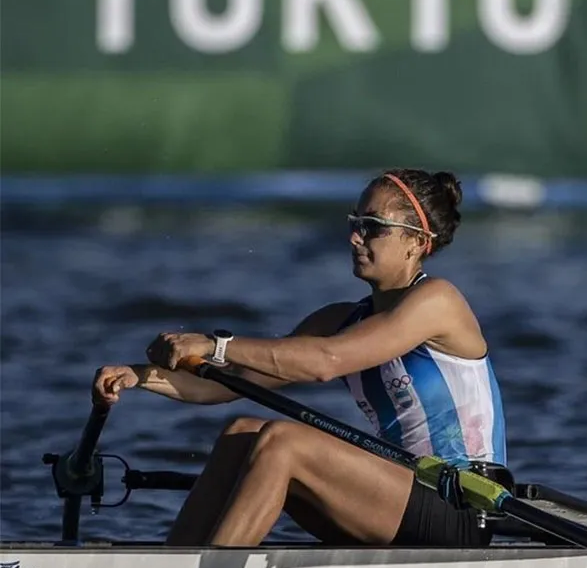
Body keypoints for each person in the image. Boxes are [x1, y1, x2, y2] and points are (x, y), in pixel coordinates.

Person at [92, 168, 508, 548]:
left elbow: (325, 361)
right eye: (355, 223)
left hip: (463, 505)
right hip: (399, 497)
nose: (354, 238)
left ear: (416, 242)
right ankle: (177, 564)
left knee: (284, 442)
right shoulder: (339, 319)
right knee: (242, 433)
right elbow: (223, 383)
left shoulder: (438, 301)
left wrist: (213, 343)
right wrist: (137, 376)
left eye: (372, 227)